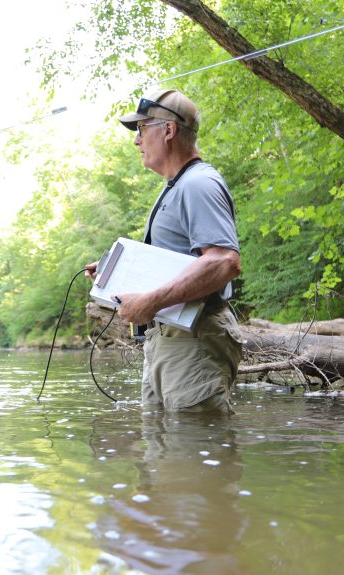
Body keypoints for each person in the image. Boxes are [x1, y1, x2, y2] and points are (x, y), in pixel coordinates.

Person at [87, 89, 243, 413]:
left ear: (169, 130)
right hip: (168, 341)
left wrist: (151, 302)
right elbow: (175, 262)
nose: (136, 141)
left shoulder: (198, 184)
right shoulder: (177, 186)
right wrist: (114, 272)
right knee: (162, 456)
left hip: (194, 341)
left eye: (142, 130)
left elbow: (223, 262)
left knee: (194, 451)